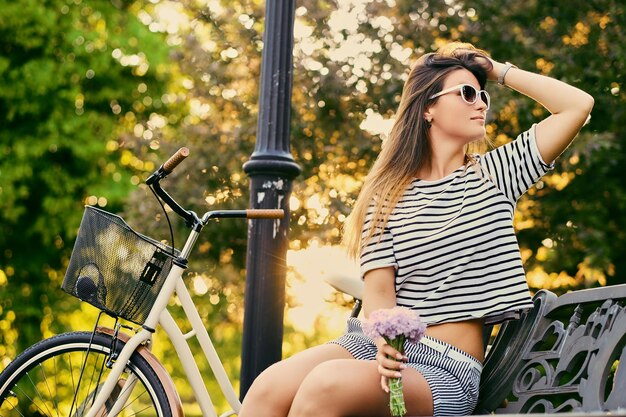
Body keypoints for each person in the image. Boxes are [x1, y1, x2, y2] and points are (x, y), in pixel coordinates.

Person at [238, 42, 594, 417]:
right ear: (428, 108)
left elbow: (577, 105)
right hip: (372, 346)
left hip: (445, 367)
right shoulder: (386, 192)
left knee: (327, 385)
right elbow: (379, 293)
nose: (482, 104)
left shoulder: (496, 174)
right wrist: (383, 342)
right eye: (467, 93)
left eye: (483, 95)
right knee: (268, 387)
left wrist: (496, 69)